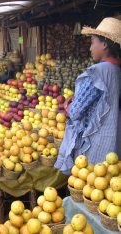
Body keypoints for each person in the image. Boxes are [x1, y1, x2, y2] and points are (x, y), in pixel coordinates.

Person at [55, 17, 121, 175]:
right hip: (114, 144)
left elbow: (75, 112)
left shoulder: (97, 73)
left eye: (93, 42)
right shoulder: (117, 71)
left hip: (95, 149)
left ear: (104, 44)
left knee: (88, 190)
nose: (90, 48)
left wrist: (68, 105)